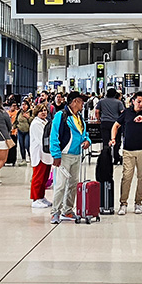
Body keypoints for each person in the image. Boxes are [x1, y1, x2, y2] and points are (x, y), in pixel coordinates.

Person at [110, 91, 142, 215]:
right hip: (128, 150)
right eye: (139, 102)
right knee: (127, 177)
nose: (141, 104)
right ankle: (123, 203)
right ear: (133, 101)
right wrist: (113, 138)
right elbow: (115, 125)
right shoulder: (127, 113)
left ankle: (138, 202)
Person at [49, 91, 90, 224]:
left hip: (77, 155)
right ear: (74, 102)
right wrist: (56, 154)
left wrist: (87, 141)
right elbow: (54, 135)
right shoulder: (61, 116)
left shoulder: (80, 118)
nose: (83, 104)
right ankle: (55, 212)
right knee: (60, 185)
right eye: (81, 101)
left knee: (73, 184)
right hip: (64, 156)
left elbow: (84, 134)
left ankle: (68, 210)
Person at [29, 103, 53, 209]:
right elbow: (41, 139)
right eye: (41, 111)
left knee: (44, 177)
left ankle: (41, 196)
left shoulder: (46, 122)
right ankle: (35, 198)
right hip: (39, 153)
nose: (44, 112)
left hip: (46, 154)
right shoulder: (35, 124)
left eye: (45, 110)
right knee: (38, 177)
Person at [95, 88, 124, 165]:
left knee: (105, 141)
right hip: (115, 124)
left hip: (104, 123)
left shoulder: (101, 101)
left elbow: (97, 111)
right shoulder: (119, 102)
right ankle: (116, 158)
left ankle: (106, 158)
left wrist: (98, 119)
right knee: (116, 141)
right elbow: (122, 112)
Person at [15, 100, 33, 167]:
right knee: (21, 145)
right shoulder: (19, 112)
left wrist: (28, 117)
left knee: (27, 145)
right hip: (20, 131)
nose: (23, 106)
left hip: (27, 131)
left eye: (25, 104)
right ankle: (23, 159)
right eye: (22, 104)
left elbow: (33, 121)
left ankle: (31, 157)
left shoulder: (31, 112)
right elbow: (16, 121)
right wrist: (13, 127)